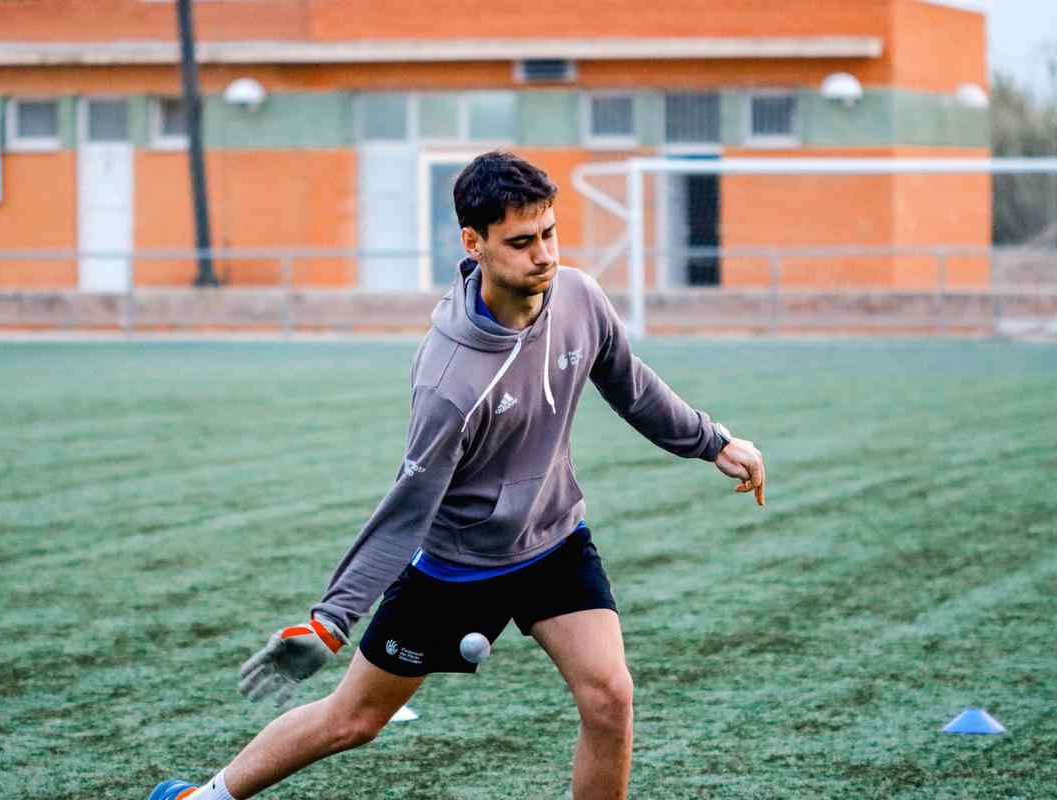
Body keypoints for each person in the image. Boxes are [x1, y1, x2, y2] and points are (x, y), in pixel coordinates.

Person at [148, 151, 766, 800]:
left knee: (610, 698)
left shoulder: (579, 297)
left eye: (549, 234)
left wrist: (711, 441)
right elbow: (407, 508)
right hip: (458, 567)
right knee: (353, 720)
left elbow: (630, 386)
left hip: (553, 542)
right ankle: (203, 798)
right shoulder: (451, 380)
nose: (544, 256)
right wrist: (332, 620)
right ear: (473, 242)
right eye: (521, 242)